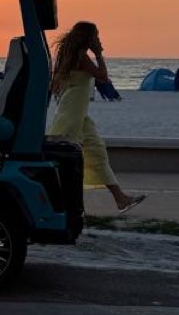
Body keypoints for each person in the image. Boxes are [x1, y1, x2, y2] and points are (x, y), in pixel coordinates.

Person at [47, 20, 145, 214]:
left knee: (96, 151)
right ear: (88, 37)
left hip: (77, 110)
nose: (98, 39)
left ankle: (121, 199)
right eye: (95, 36)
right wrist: (99, 54)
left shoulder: (69, 54)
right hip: (73, 111)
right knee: (64, 154)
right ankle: (59, 201)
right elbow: (103, 77)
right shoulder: (81, 57)